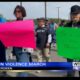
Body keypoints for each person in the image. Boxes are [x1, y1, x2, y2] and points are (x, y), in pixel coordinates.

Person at [12, 5, 33, 77]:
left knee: (22, 72)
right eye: (15, 11)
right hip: (16, 50)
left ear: (22, 12)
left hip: (24, 50)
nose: (17, 13)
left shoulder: (26, 23)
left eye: (19, 11)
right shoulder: (13, 24)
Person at [64, 5, 80, 77]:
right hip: (70, 55)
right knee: (70, 73)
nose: (74, 16)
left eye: (76, 14)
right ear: (70, 15)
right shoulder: (67, 26)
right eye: (73, 14)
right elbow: (63, 39)